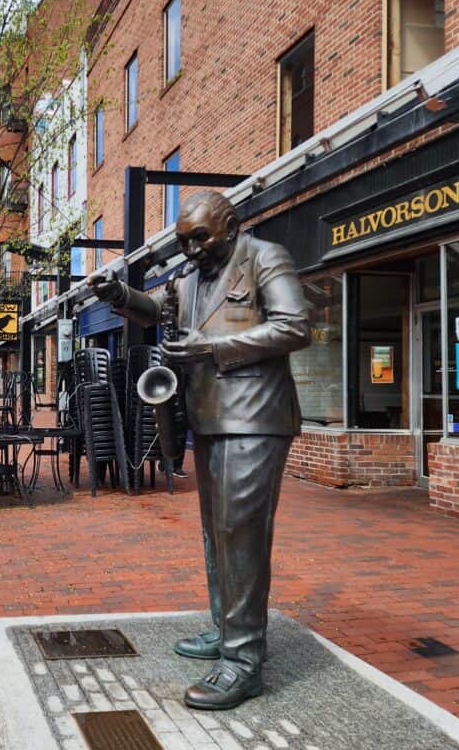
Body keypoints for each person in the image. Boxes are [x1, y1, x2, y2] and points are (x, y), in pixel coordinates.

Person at [87, 190, 310, 710]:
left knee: (240, 532)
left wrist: (212, 348)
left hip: (255, 417)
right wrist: (118, 294)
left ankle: (243, 660)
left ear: (230, 227)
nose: (191, 251)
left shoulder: (265, 257)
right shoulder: (188, 278)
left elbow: (294, 326)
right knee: (217, 531)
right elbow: (155, 309)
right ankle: (223, 627)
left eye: (201, 239)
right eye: (184, 242)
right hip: (208, 418)